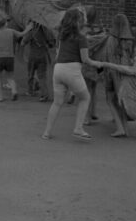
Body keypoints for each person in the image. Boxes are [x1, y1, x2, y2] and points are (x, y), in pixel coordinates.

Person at [42, 8, 103, 141]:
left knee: (57, 103)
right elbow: (85, 59)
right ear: (78, 21)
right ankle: (78, 128)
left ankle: (47, 132)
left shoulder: (62, 36)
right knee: (85, 98)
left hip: (58, 69)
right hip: (72, 70)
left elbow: (58, 53)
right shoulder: (81, 38)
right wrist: (97, 64)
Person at [102, 26, 136, 135]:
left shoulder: (124, 48)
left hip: (119, 76)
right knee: (123, 100)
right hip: (133, 78)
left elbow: (131, 66)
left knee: (112, 99)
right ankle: (121, 122)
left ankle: (122, 126)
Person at [0, 10, 33, 102]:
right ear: (5, 23)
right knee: (10, 77)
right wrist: (28, 28)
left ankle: (0, 96)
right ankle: (14, 91)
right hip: (10, 58)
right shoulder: (11, 31)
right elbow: (21, 34)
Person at [102, 13, 135, 137]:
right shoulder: (129, 41)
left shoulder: (111, 40)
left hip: (112, 74)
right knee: (121, 100)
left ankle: (120, 128)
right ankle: (125, 127)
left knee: (110, 99)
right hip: (125, 75)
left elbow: (106, 57)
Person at [21, 22, 55, 101]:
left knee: (30, 74)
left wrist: (27, 30)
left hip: (33, 56)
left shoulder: (32, 31)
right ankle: (44, 94)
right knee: (42, 76)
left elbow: (23, 42)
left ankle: (30, 91)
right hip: (43, 55)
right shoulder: (47, 31)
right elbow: (52, 44)